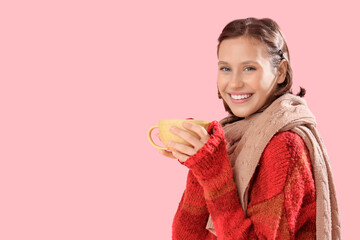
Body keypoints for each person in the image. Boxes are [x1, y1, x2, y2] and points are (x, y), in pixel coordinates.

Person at [160, 17, 341, 239]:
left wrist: (214, 173)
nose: (234, 83)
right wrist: (200, 165)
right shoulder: (232, 137)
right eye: (225, 68)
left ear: (281, 72)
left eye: (249, 68)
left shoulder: (285, 146)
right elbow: (186, 236)